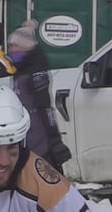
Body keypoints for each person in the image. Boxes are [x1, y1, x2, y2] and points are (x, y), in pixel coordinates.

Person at [7, 20, 71, 172]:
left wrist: (55, 140)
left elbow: (45, 107)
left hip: (38, 140)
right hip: (23, 137)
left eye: (14, 47)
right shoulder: (18, 73)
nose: (11, 50)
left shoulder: (36, 73)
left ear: (26, 49)